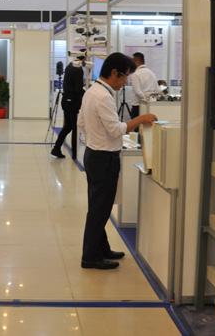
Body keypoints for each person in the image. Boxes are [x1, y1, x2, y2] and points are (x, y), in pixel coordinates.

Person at [78, 52, 157, 270]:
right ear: (114, 73)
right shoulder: (104, 97)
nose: (124, 84)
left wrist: (95, 137)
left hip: (93, 154)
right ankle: (90, 257)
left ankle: (101, 248)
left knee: (98, 206)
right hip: (104, 158)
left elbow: (81, 122)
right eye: (124, 78)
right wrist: (141, 119)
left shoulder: (92, 91)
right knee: (100, 209)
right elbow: (116, 130)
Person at [51, 54, 86, 159]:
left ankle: (56, 148)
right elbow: (77, 89)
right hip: (73, 103)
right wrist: (86, 93)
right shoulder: (78, 69)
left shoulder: (69, 66)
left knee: (68, 127)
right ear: (84, 59)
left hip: (66, 101)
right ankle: (74, 154)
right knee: (74, 128)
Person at [130, 52, 159, 118]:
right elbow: (157, 89)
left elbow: (137, 92)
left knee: (137, 124)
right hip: (152, 105)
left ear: (136, 61)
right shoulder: (152, 73)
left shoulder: (135, 74)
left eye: (132, 61)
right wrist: (149, 101)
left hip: (138, 106)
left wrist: (145, 100)